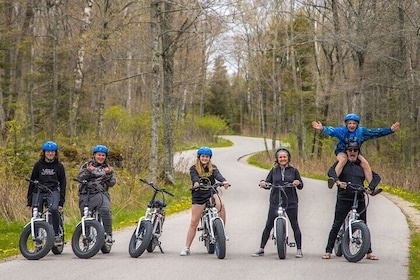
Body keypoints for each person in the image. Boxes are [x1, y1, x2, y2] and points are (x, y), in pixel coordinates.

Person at [322, 141, 380, 260]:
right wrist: (338, 182)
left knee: (363, 224)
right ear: (346, 152)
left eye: (355, 150)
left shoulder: (362, 165)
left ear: (358, 152)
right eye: (350, 150)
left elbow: (377, 177)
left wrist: (371, 188)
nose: (352, 152)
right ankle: (328, 250)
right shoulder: (342, 164)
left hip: (359, 197)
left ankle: (368, 252)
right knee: (337, 223)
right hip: (344, 197)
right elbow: (330, 172)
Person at [312, 113, 399, 186]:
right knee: (343, 159)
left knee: (365, 163)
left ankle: (371, 186)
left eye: (354, 123)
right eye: (349, 123)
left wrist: (390, 130)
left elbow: (375, 132)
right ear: (346, 124)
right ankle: (334, 179)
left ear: (357, 124)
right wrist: (323, 128)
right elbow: (332, 131)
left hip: (355, 152)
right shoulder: (342, 131)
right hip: (342, 151)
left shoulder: (362, 132)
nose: (352, 125)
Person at [252, 148, 304, 258]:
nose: (283, 159)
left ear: (288, 158)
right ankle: (261, 249)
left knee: (294, 224)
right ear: (277, 159)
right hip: (276, 201)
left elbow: (300, 185)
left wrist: (297, 182)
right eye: (280, 157)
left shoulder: (294, 170)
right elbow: (267, 182)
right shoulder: (274, 170)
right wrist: (263, 183)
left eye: (284, 157)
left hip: (291, 201)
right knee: (269, 224)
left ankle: (299, 249)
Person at [180, 146, 230, 256]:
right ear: (199, 157)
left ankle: (222, 231)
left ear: (209, 158)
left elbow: (218, 175)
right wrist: (196, 184)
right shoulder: (194, 168)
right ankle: (187, 247)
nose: (205, 158)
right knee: (194, 222)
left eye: (207, 157)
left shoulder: (213, 168)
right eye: (203, 156)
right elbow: (194, 177)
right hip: (199, 195)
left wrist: (224, 181)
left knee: (221, 205)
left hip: (211, 192)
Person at [27, 141, 67, 246]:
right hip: (39, 191)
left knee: (53, 209)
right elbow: (32, 182)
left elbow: (63, 184)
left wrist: (61, 202)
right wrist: (29, 200)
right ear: (44, 152)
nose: (50, 154)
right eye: (48, 152)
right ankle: (37, 238)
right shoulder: (38, 165)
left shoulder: (59, 166)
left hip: (52, 191)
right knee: (36, 212)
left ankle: (57, 234)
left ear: (55, 153)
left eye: (52, 152)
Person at [77, 145, 116, 245]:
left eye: (103, 155)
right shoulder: (86, 165)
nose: (101, 157)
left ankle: (108, 235)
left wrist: (108, 174)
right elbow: (80, 177)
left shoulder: (108, 168)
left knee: (105, 210)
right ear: (94, 155)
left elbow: (112, 183)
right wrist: (88, 171)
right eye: (99, 155)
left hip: (102, 193)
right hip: (86, 194)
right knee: (85, 214)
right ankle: (86, 236)